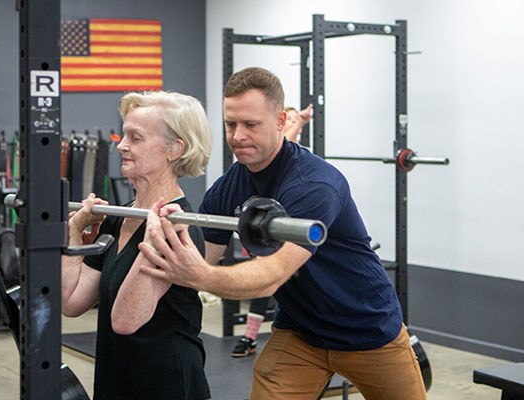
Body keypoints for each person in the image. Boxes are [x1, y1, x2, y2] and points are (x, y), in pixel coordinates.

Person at [140, 67, 427, 400]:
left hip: (368, 329)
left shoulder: (314, 184)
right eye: (231, 124)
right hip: (301, 333)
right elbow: (200, 254)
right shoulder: (230, 185)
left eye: (251, 125)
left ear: (280, 122)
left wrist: (200, 276)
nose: (237, 136)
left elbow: (269, 278)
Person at [61, 91, 212, 400]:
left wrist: (153, 238)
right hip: (117, 378)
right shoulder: (120, 218)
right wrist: (74, 231)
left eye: (136, 138)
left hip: (165, 385)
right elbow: (71, 302)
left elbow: (125, 320)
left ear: (174, 149)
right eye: (124, 134)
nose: (121, 145)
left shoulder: (175, 227)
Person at [231, 101, 313, 358]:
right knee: (261, 284)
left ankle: (252, 336)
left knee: (277, 285)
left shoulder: (298, 157)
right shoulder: (261, 161)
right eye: (286, 120)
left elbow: (286, 138)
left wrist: (298, 121)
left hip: (291, 236)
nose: (289, 124)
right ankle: (250, 336)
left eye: (290, 121)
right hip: (262, 229)